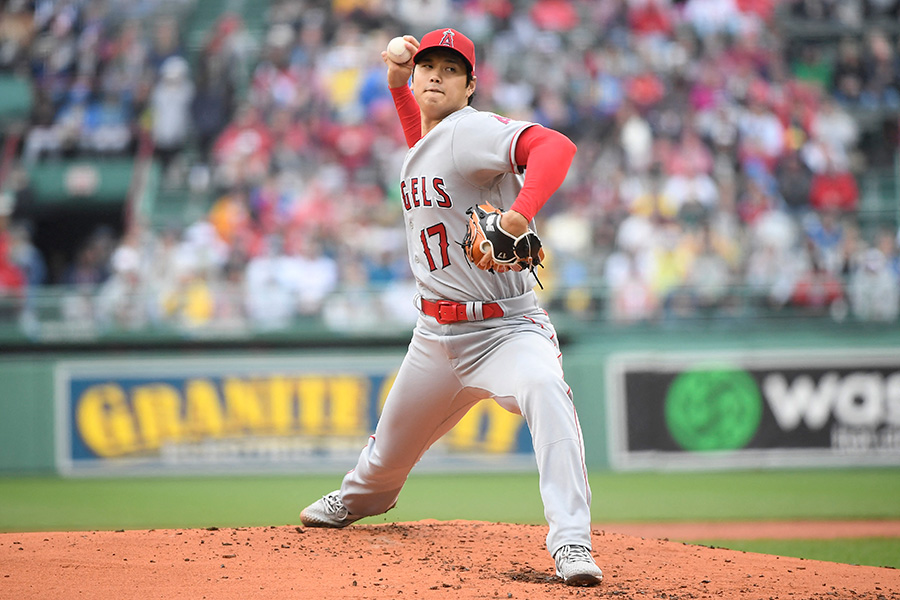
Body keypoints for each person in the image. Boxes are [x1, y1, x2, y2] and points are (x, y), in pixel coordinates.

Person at [299, 28, 603, 587]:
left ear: (469, 87)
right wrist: (396, 80)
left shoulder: (470, 130)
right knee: (382, 465)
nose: (436, 74)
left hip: (507, 330)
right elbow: (422, 133)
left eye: (451, 69)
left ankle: (572, 543)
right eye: (428, 66)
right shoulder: (426, 142)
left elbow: (556, 147)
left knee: (545, 391)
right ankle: (359, 498)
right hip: (435, 338)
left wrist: (520, 213)